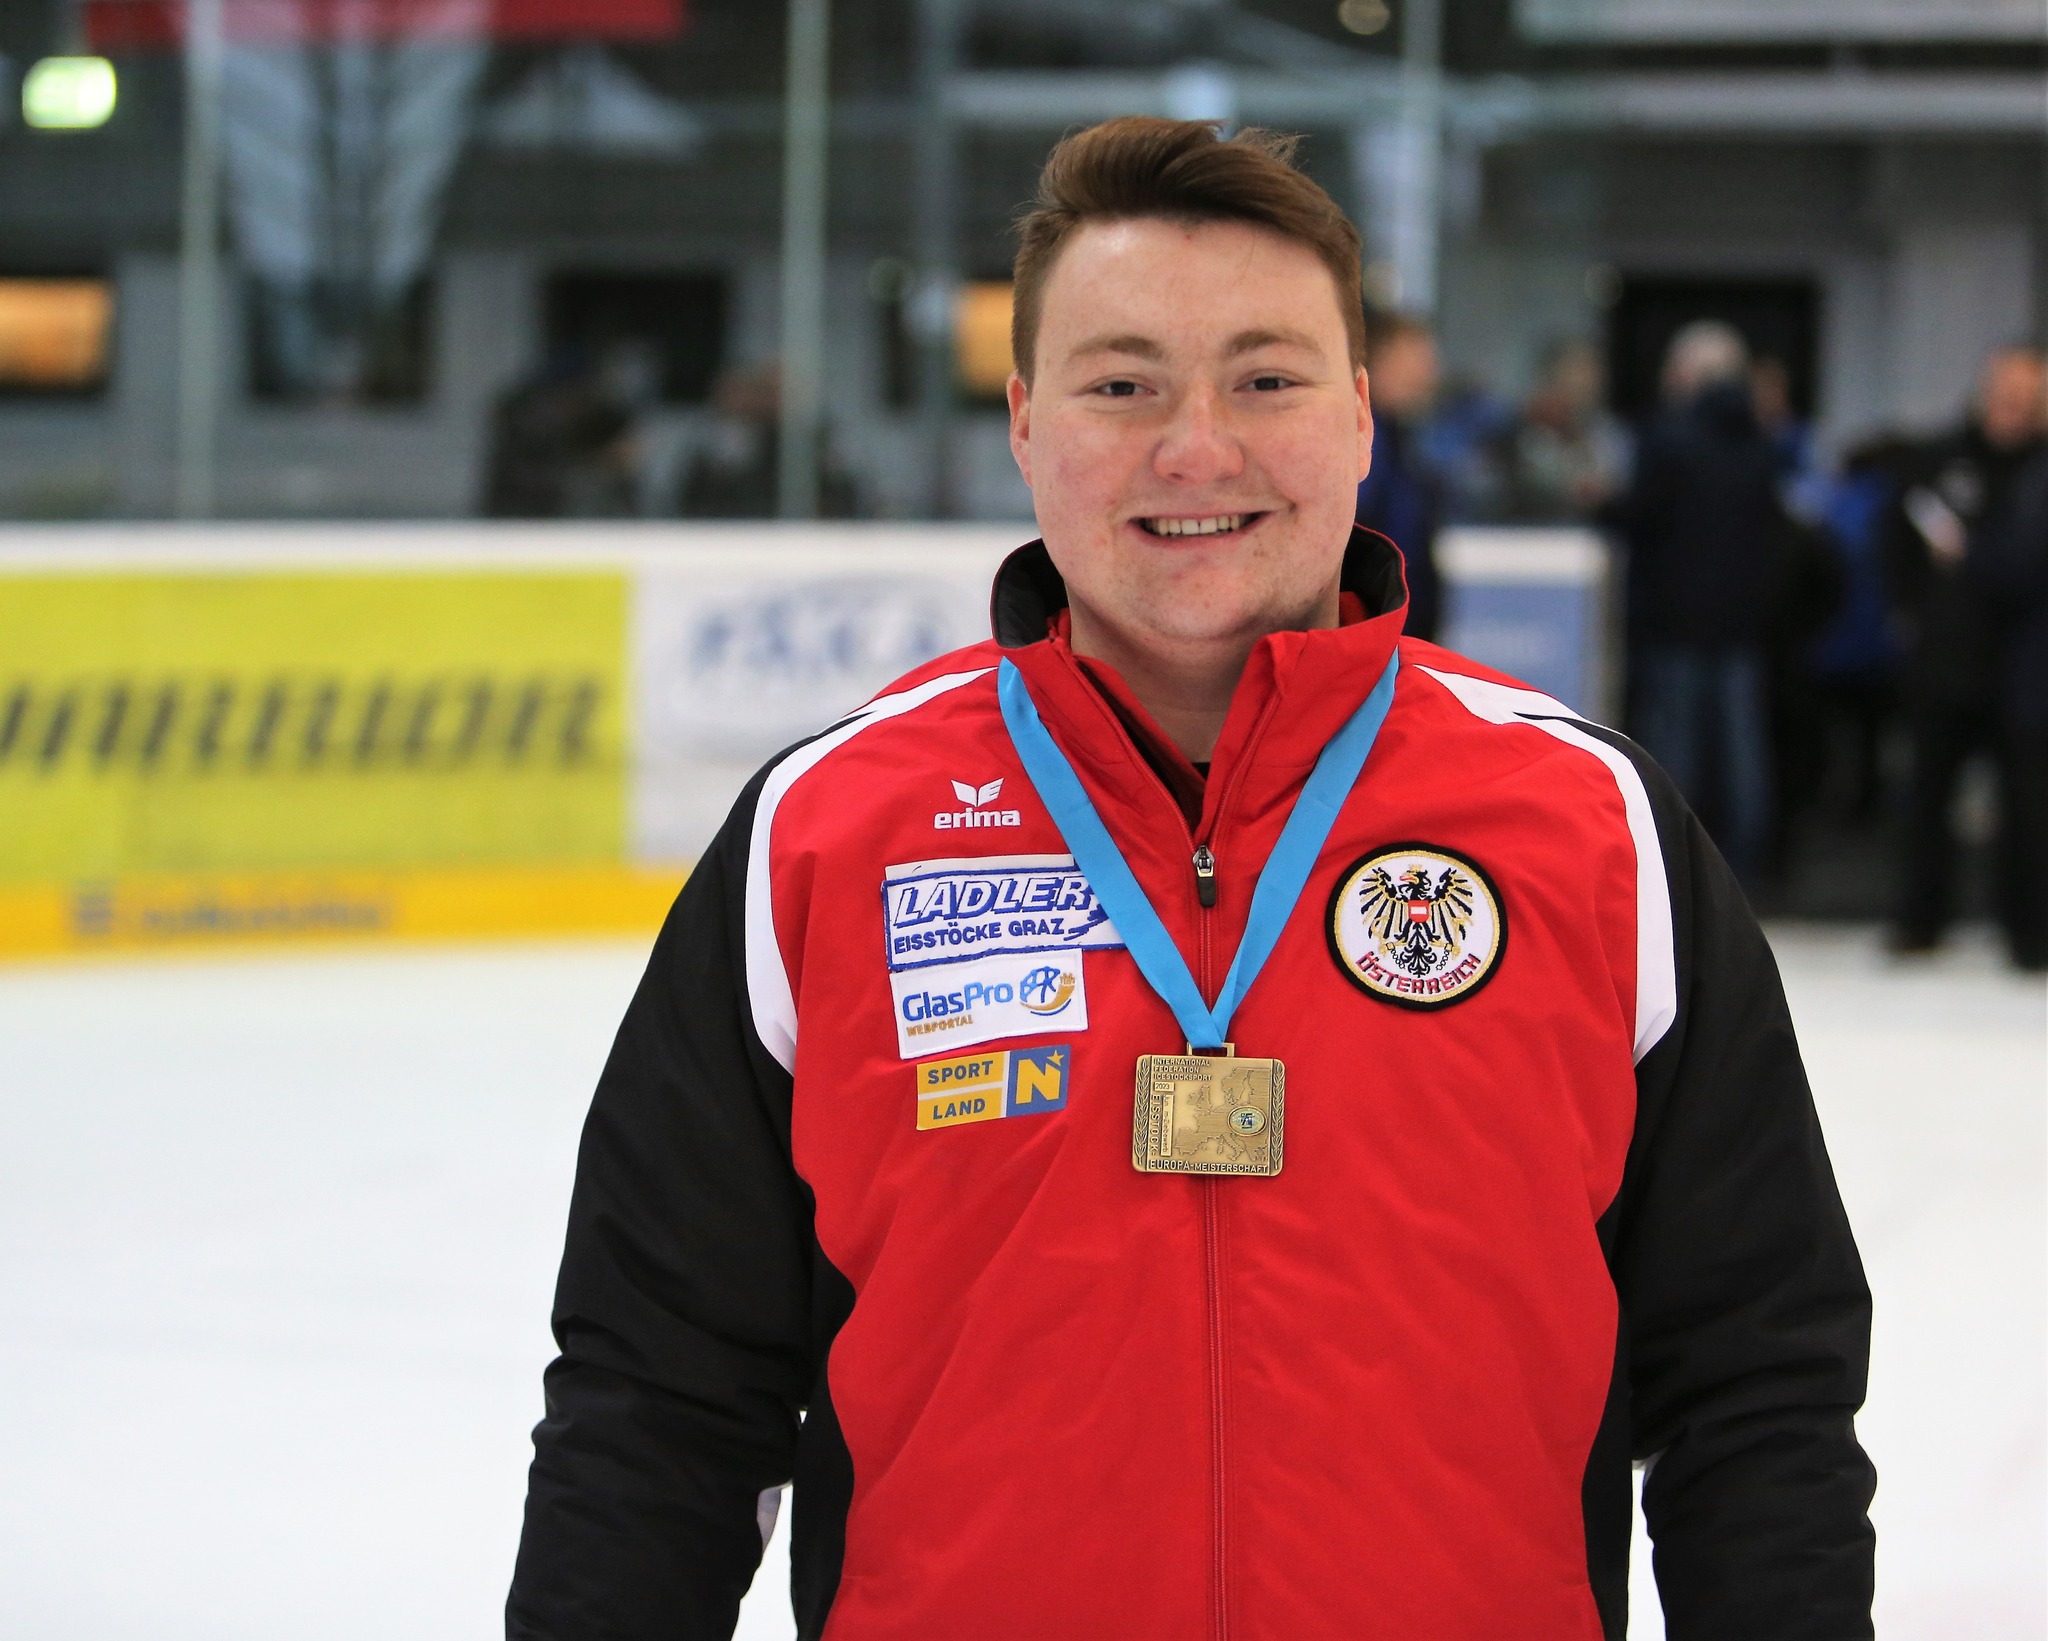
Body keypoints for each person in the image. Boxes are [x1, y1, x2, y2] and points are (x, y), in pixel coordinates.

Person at [507, 119, 1874, 1640]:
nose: (1198, 447)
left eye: (1268, 378)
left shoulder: (1593, 827)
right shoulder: (827, 835)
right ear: (1025, 422)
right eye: (1122, 383)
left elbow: (1756, 1393)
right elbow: (659, 1402)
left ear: (1361, 417)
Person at [1885, 345, 2046, 963]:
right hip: (1946, 664)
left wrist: (1970, 557)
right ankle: (1920, 921)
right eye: (2003, 393)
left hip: (2022, 670)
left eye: (2025, 397)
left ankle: (2027, 933)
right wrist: (1909, 616)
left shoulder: (2038, 472)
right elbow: (1896, 544)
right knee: (1928, 797)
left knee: (2028, 811)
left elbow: (2021, 565)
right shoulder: (1940, 460)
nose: (2011, 408)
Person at [1615, 320, 1789, 884]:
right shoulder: (1760, 442)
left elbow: (1639, 517)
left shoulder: (1668, 438)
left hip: (1675, 617)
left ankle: (1671, 863)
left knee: (1675, 746)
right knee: (1742, 745)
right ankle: (1749, 858)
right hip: (1741, 619)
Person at [1352, 311, 1443, 639]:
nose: (1428, 374)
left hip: (1406, 630)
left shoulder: (1406, 441)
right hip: (1374, 632)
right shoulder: (1364, 445)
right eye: (1415, 361)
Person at [1507, 336, 1629, 523]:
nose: (1584, 382)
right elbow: (1531, 479)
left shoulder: (1610, 433)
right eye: (1574, 371)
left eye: (1591, 372)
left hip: (1598, 534)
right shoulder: (1529, 427)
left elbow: (1619, 481)